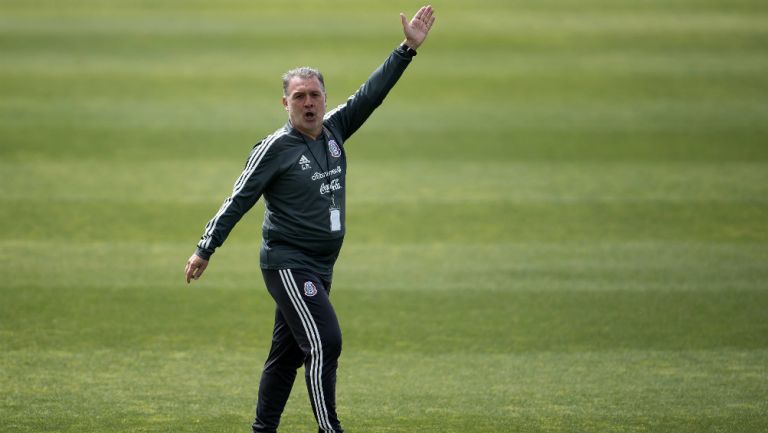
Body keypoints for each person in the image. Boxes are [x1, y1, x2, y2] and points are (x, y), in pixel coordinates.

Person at [184, 5, 435, 433]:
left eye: (314, 94)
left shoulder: (335, 128)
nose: (308, 103)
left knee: (286, 355)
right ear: (285, 103)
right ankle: (329, 428)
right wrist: (206, 247)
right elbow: (239, 198)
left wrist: (406, 49)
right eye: (299, 96)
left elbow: (370, 94)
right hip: (287, 261)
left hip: (321, 264)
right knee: (325, 341)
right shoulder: (275, 148)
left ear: (323, 98)